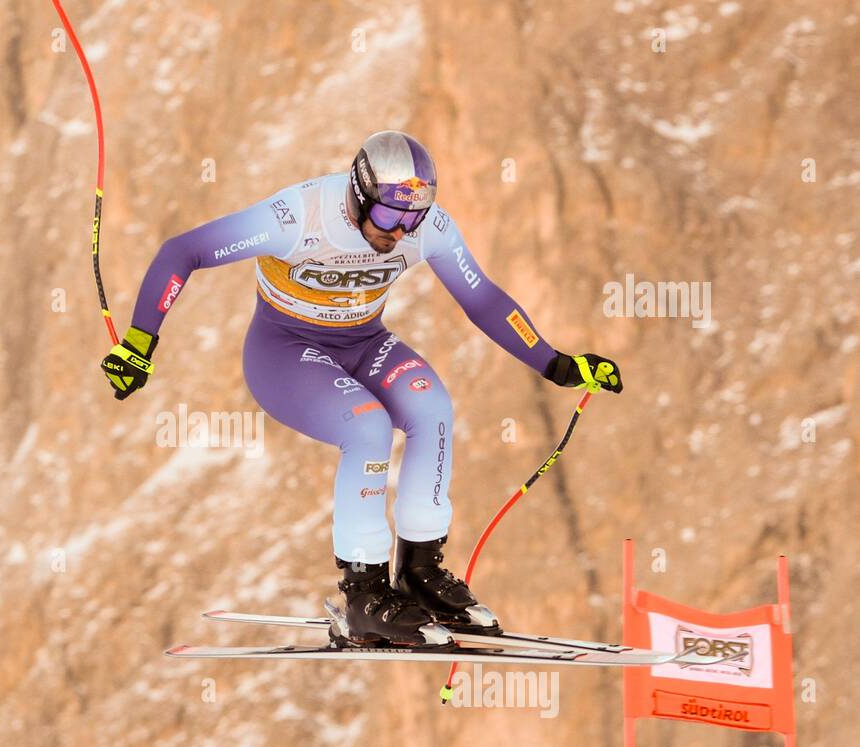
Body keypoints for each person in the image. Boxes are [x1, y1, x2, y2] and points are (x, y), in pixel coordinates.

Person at [102, 130, 622, 648]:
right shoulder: (297, 216)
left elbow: (482, 298)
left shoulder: (423, 226)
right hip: (285, 353)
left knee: (433, 407)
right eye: (389, 218)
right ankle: (364, 595)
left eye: (412, 220)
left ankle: (419, 573)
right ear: (357, 192)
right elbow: (183, 252)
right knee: (369, 426)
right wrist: (138, 343)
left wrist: (554, 361)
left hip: (365, 341)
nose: (399, 233)